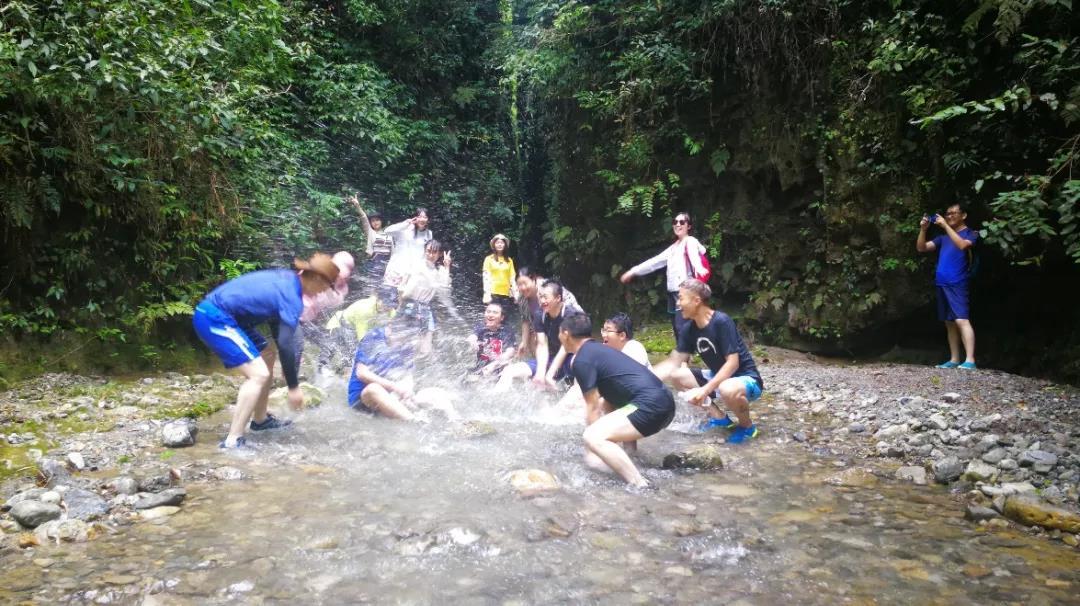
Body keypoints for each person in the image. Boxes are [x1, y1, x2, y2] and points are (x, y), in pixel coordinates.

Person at [193, 253, 340, 448]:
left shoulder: (287, 281)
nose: (323, 292)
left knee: (267, 355)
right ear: (316, 278)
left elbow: (279, 334)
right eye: (325, 286)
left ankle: (260, 420)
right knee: (259, 374)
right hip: (215, 318)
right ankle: (233, 440)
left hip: (230, 319)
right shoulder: (291, 296)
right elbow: (287, 343)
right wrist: (293, 388)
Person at [559, 313, 675, 488]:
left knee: (592, 436)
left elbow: (592, 407)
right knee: (609, 412)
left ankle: (640, 484)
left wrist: (592, 449)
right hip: (664, 402)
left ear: (566, 334)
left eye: (559, 333)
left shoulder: (582, 360)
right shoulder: (601, 351)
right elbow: (611, 402)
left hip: (651, 406)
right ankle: (632, 457)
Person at [652, 280, 764, 444]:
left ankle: (747, 427)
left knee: (727, 387)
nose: (677, 303)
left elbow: (733, 363)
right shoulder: (689, 329)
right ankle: (720, 418)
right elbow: (673, 363)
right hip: (718, 378)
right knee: (677, 376)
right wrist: (640, 378)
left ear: (696, 300)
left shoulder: (721, 322)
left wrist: (704, 390)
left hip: (747, 380)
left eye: (681, 298)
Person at [619, 211, 709, 338]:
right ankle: (685, 355)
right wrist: (634, 271)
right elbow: (654, 262)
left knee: (681, 326)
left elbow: (695, 258)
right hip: (672, 292)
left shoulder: (690, 241)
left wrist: (700, 269)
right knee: (677, 327)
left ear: (688, 226)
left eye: (682, 222)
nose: (678, 224)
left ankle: (687, 354)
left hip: (684, 291)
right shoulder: (673, 248)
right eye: (675, 222)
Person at [917, 204, 978, 369]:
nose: (949, 216)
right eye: (947, 213)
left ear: (963, 215)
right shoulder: (943, 238)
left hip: (958, 282)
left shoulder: (971, 233)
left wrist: (944, 225)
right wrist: (923, 229)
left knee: (961, 319)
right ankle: (954, 359)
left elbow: (963, 246)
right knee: (949, 322)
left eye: (953, 213)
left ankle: (970, 360)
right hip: (942, 283)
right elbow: (921, 248)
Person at [495, 279, 582, 392]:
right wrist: (540, 373)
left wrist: (549, 374)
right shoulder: (540, 315)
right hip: (551, 357)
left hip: (572, 358)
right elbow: (542, 344)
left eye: (546, 297)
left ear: (558, 298)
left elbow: (565, 347)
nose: (542, 301)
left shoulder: (571, 315)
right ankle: (493, 402)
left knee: (580, 365)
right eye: (540, 297)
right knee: (509, 371)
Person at [347, 315, 423, 421]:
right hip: (363, 398)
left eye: (405, 339)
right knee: (374, 388)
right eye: (400, 338)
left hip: (391, 395)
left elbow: (408, 374)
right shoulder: (373, 337)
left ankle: (452, 421)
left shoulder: (407, 343)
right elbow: (362, 373)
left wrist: (407, 392)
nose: (401, 344)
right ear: (390, 326)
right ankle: (414, 422)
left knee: (432, 393)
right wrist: (394, 387)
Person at [513, 267, 579, 362]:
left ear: (533, 279)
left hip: (567, 321)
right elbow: (526, 320)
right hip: (546, 324)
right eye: (519, 285)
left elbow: (572, 309)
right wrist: (524, 342)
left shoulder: (548, 288)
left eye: (525, 283)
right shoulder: (522, 299)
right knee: (534, 339)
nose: (522, 288)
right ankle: (543, 365)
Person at [381, 207, 434, 303]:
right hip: (397, 270)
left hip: (413, 274)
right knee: (389, 301)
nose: (422, 219)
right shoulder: (404, 229)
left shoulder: (429, 234)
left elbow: (426, 253)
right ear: (415, 218)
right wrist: (406, 223)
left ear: (428, 220)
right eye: (419, 216)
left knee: (406, 303)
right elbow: (387, 231)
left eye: (425, 217)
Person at [348, 195, 394, 292]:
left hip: (387, 265)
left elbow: (393, 253)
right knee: (373, 288)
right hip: (375, 262)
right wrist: (357, 206)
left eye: (377, 220)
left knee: (386, 287)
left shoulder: (389, 235)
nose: (375, 222)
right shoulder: (371, 233)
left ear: (381, 221)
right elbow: (364, 218)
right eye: (373, 221)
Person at [467, 302, 517, 376]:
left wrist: (494, 364)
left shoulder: (506, 331)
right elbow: (472, 337)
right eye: (488, 312)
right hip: (481, 366)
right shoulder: (481, 327)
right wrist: (472, 343)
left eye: (495, 313)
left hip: (498, 367)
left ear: (502, 317)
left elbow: (510, 351)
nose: (490, 315)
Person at [482, 234, 516, 311]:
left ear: (505, 245)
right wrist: (487, 294)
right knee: (494, 316)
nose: (499, 244)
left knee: (504, 317)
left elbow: (512, 278)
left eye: (502, 242)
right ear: (494, 245)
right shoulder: (488, 259)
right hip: (493, 293)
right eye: (497, 242)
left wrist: (515, 294)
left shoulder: (509, 260)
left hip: (506, 293)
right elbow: (486, 277)